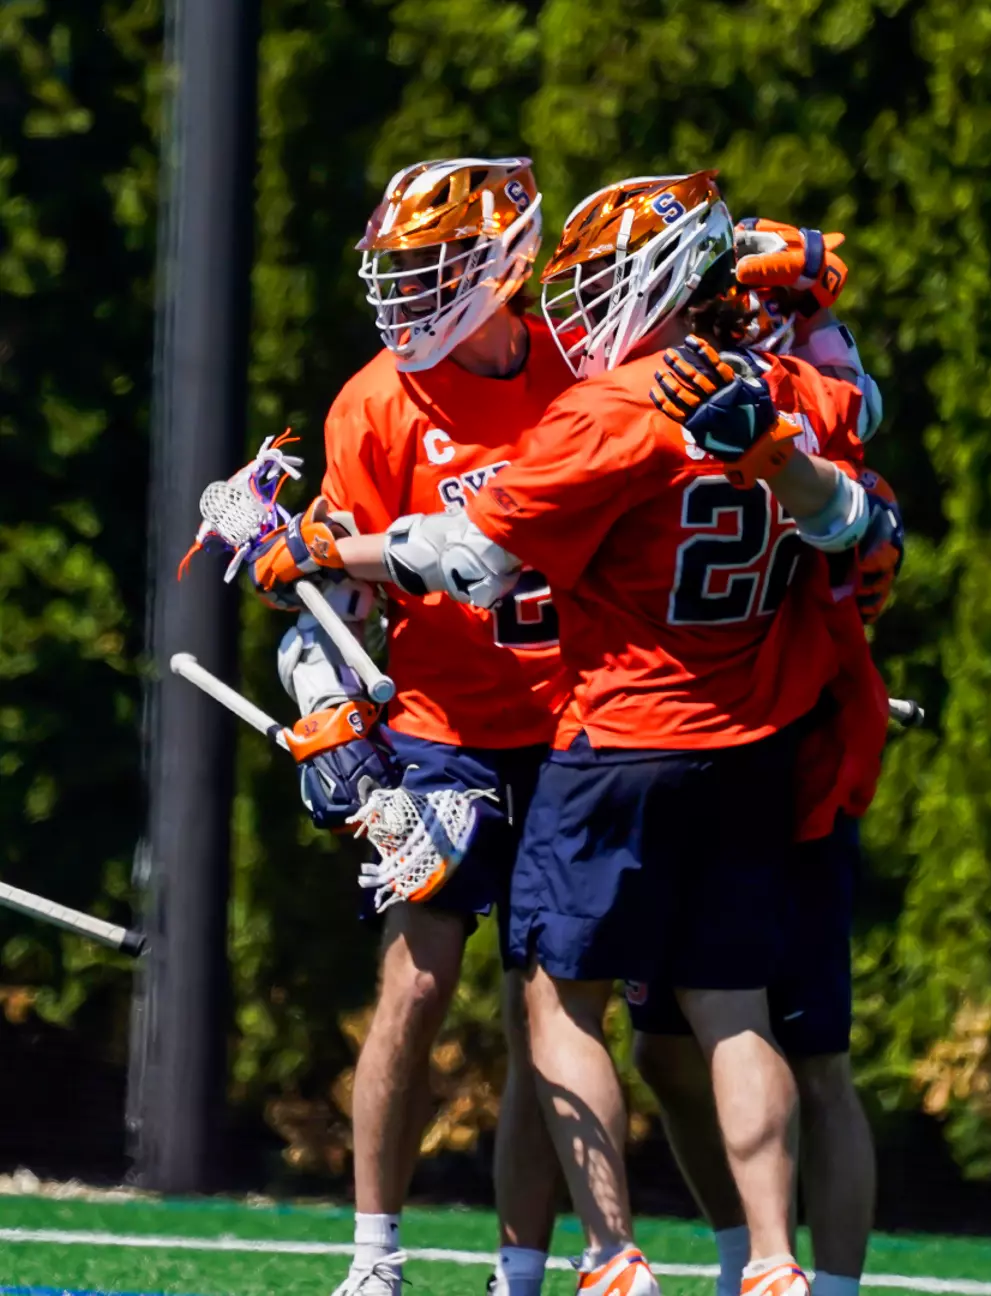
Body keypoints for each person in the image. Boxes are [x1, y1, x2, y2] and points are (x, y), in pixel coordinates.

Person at [343, 171, 888, 1296]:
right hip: (754, 749)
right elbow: (862, 509)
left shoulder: (609, 406)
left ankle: (610, 1254)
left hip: (615, 739)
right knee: (733, 1012)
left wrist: (319, 552)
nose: (579, 305)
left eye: (599, 282)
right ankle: (773, 1262)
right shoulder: (795, 390)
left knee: (555, 1000)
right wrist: (793, 351)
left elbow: (469, 559)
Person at [249, 155, 572, 1296]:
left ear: (502, 264)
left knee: (551, 1011)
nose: (410, 291)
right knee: (415, 983)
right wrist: (327, 700)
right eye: (402, 268)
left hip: (576, 723)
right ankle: (374, 1256)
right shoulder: (375, 401)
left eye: (433, 266)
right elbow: (335, 596)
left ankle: (519, 1271)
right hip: (441, 727)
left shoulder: (584, 370)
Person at [630, 221, 902, 1296]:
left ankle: (820, 1285)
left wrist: (812, 315)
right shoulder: (655, 396)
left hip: (796, 755)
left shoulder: (803, 399)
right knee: (664, 1045)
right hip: (690, 749)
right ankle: (747, 1257)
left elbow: (856, 441)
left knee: (813, 1052)